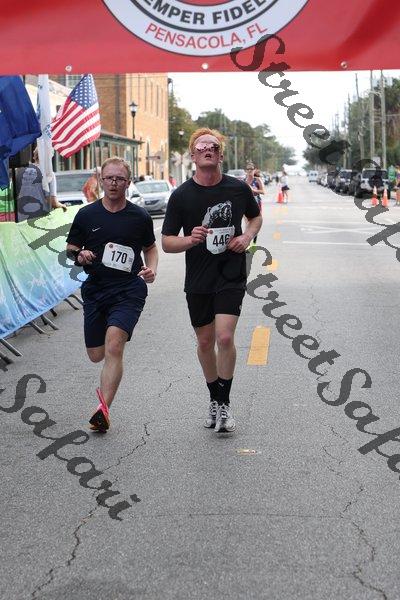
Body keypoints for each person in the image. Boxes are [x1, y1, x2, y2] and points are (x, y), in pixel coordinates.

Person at [161, 128, 262, 433]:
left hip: (231, 273)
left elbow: (255, 217)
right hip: (199, 278)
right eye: (202, 146)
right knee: (205, 342)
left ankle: (225, 403)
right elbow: (166, 242)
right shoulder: (181, 196)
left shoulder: (237, 189)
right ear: (193, 155)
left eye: (214, 147)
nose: (208, 149)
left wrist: (246, 236)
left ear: (220, 155)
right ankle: (214, 399)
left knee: (225, 338)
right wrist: (189, 240)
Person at [66, 156, 158, 433]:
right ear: (101, 180)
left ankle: (103, 410)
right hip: (96, 289)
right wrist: (79, 255)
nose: (114, 183)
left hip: (128, 289)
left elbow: (150, 248)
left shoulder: (139, 216)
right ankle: (104, 400)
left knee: (115, 345)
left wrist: (151, 269)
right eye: (109, 178)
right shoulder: (87, 215)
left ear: (128, 183)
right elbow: (71, 248)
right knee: (97, 355)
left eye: (120, 178)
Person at [16, 147, 66, 220]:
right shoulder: (48, 174)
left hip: (22, 217)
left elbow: (15, 195)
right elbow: (53, 202)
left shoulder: (20, 171)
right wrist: (63, 206)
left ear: (34, 156)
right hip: (40, 218)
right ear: (49, 157)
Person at [245, 163, 265, 244]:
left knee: (255, 223)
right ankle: (248, 243)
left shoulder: (257, 180)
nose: (249, 170)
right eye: (248, 169)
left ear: (255, 170)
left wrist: (253, 190)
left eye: (251, 169)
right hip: (246, 204)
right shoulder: (244, 181)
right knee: (247, 224)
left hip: (256, 203)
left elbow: (263, 191)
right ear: (246, 170)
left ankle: (254, 242)